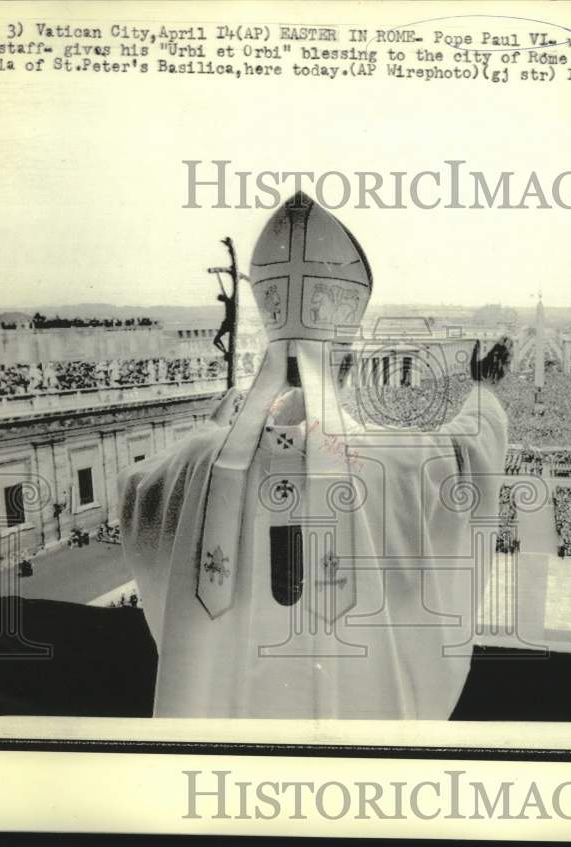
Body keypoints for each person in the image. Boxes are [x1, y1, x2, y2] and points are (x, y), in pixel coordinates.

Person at [119, 193, 508, 719]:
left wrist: (215, 431)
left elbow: (139, 488)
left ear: (266, 356)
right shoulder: (400, 462)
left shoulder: (192, 463)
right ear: (346, 362)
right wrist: (483, 390)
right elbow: (470, 451)